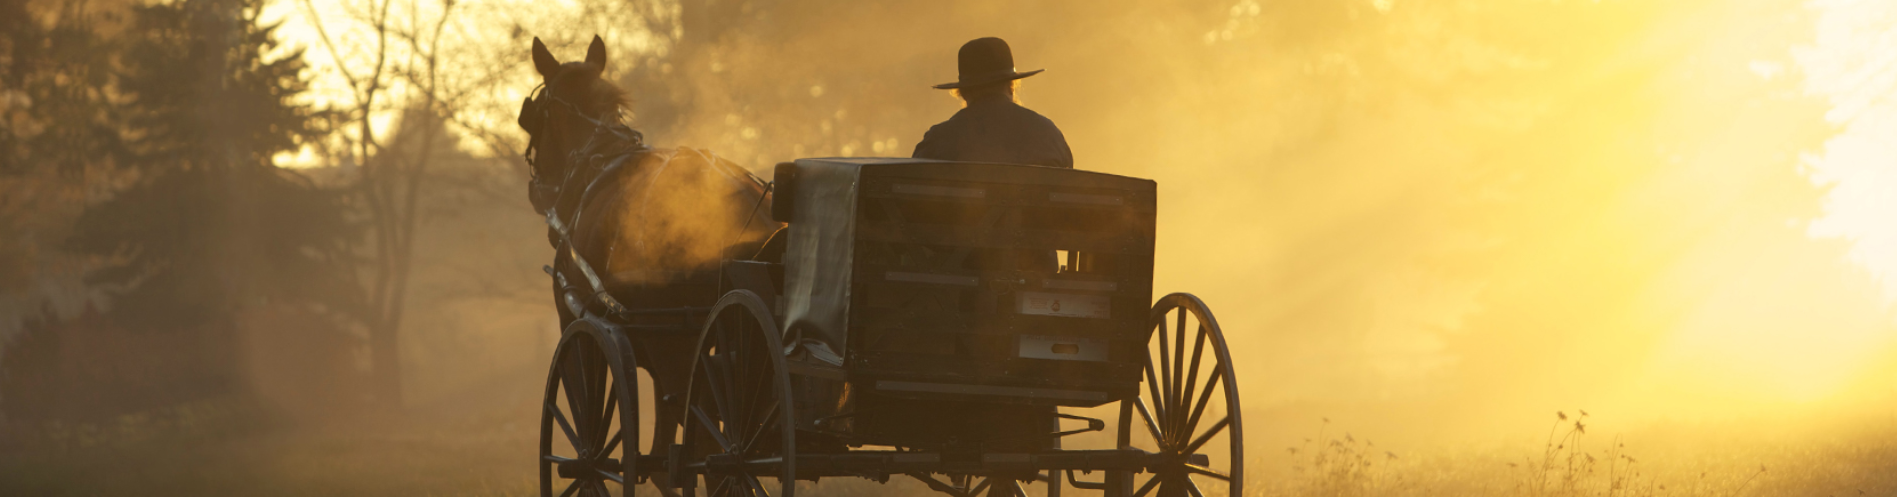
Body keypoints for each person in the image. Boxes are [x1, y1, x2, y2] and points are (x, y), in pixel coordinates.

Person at [912, 37, 1073, 169]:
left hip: (966, 210)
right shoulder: (1049, 134)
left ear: (963, 93)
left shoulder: (937, 140)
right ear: (1011, 87)